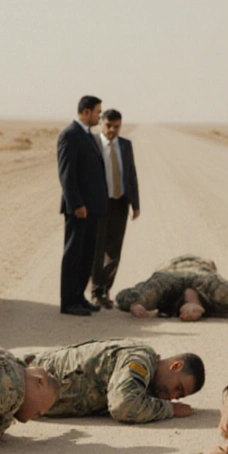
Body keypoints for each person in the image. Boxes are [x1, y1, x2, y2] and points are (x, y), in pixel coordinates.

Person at [18, 339, 203, 423]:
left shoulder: (148, 379)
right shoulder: (141, 359)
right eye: (178, 388)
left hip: (31, 395)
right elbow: (124, 405)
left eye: (179, 397)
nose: (173, 396)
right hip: (24, 384)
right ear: (176, 366)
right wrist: (169, 410)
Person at [57, 95, 108, 316]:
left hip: (91, 209)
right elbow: (67, 174)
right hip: (78, 209)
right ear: (86, 112)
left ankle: (79, 297)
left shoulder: (88, 135)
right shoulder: (70, 135)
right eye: (98, 112)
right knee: (73, 255)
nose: (100, 116)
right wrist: (76, 204)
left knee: (87, 254)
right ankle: (68, 302)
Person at [89, 109, 140, 309]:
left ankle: (104, 290)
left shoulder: (126, 145)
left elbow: (131, 175)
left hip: (120, 202)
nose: (112, 130)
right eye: (109, 126)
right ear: (101, 124)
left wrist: (135, 205)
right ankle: (94, 290)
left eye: (116, 126)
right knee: (97, 248)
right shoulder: (92, 144)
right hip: (99, 203)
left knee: (114, 250)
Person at [115, 255, 228, 322]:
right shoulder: (207, 269)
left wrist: (134, 303)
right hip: (199, 272)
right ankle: (194, 303)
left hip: (171, 273)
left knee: (145, 296)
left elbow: (122, 295)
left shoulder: (167, 270)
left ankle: (194, 304)